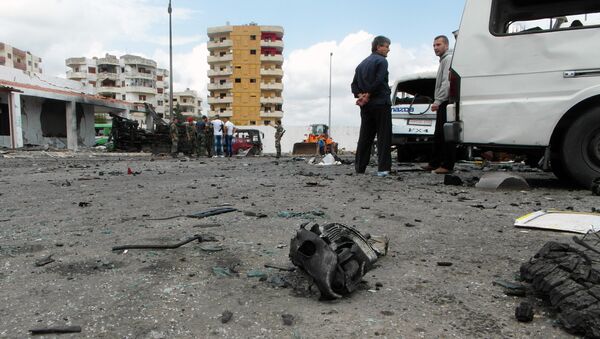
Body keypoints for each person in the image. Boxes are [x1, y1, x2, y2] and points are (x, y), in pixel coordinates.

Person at [351, 35, 392, 177]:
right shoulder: (382, 61)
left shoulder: (361, 64)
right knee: (384, 136)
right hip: (381, 103)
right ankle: (383, 168)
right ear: (378, 47)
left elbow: (353, 85)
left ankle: (359, 167)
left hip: (366, 106)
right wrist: (368, 94)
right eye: (386, 46)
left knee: (365, 136)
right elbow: (379, 80)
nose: (388, 49)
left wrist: (360, 95)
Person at [422, 35, 456, 174]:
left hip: (446, 101)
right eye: (434, 45)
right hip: (444, 101)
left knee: (444, 134)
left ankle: (447, 165)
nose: (436, 48)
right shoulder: (443, 60)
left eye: (438, 45)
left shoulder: (448, 59)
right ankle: (434, 163)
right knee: (439, 134)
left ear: (446, 46)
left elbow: (446, 83)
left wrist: (438, 100)